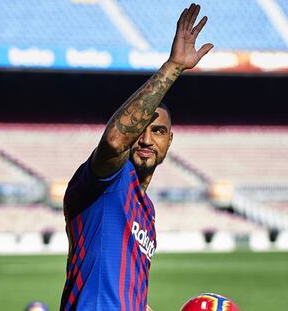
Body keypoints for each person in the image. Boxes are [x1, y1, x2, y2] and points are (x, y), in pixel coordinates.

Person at [60, 3, 213, 310]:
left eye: (157, 131)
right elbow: (116, 141)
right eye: (140, 129)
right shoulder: (106, 182)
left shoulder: (147, 211)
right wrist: (174, 67)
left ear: (169, 141)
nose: (145, 138)